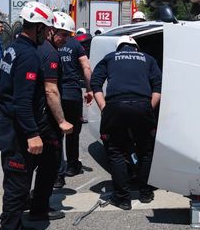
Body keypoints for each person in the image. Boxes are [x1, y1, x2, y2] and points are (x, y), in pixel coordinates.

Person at [0, 2, 54, 230]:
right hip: (17, 129)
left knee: (14, 183)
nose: (48, 35)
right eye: (47, 30)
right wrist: (32, 134)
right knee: (18, 187)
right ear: (39, 28)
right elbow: (22, 101)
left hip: (8, 124)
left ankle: (10, 229)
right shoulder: (29, 55)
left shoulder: (15, 48)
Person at [90, 36, 162, 209]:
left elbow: (95, 83)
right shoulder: (148, 59)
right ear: (136, 48)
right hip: (142, 105)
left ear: (119, 48)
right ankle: (145, 193)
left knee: (115, 151)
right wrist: (147, 110)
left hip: (115, 105)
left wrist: (104, 108)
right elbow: (158, 88)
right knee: (146, 151)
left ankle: (123, 198)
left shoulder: (109, 57)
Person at [38, 13, 75, 192]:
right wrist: (61, 120)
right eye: (64, 35)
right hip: (45, 116)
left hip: (37, 113)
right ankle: (40, 205)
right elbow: (50, 90)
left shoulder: (40, 48)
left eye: (68, 35)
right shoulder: (51, 53)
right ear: (51, 31)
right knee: (49, 160)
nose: (66, 40)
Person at [55, 12, 93, 184]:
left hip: (55, 95)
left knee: (55, 134)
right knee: (73, 133)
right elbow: (86, 66)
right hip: (72, 94)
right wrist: (90, 89)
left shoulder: (49, 45)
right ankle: (72, 165)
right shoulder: (76, 45)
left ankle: (58, 173)